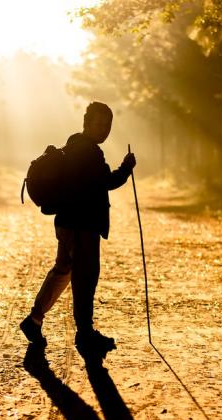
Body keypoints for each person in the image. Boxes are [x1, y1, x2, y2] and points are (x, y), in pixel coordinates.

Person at [20, 101, 136, 360]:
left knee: (63, 271)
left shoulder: (74, 147)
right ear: (87, 124)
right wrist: (126, 168)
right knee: (85, 278)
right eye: (99, 124)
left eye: (108, 125)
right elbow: (107, 181)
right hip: (82, 226)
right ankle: (84, 334)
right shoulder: (89, 152)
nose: (104, 129)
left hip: (67, 222)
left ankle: (34, 320)